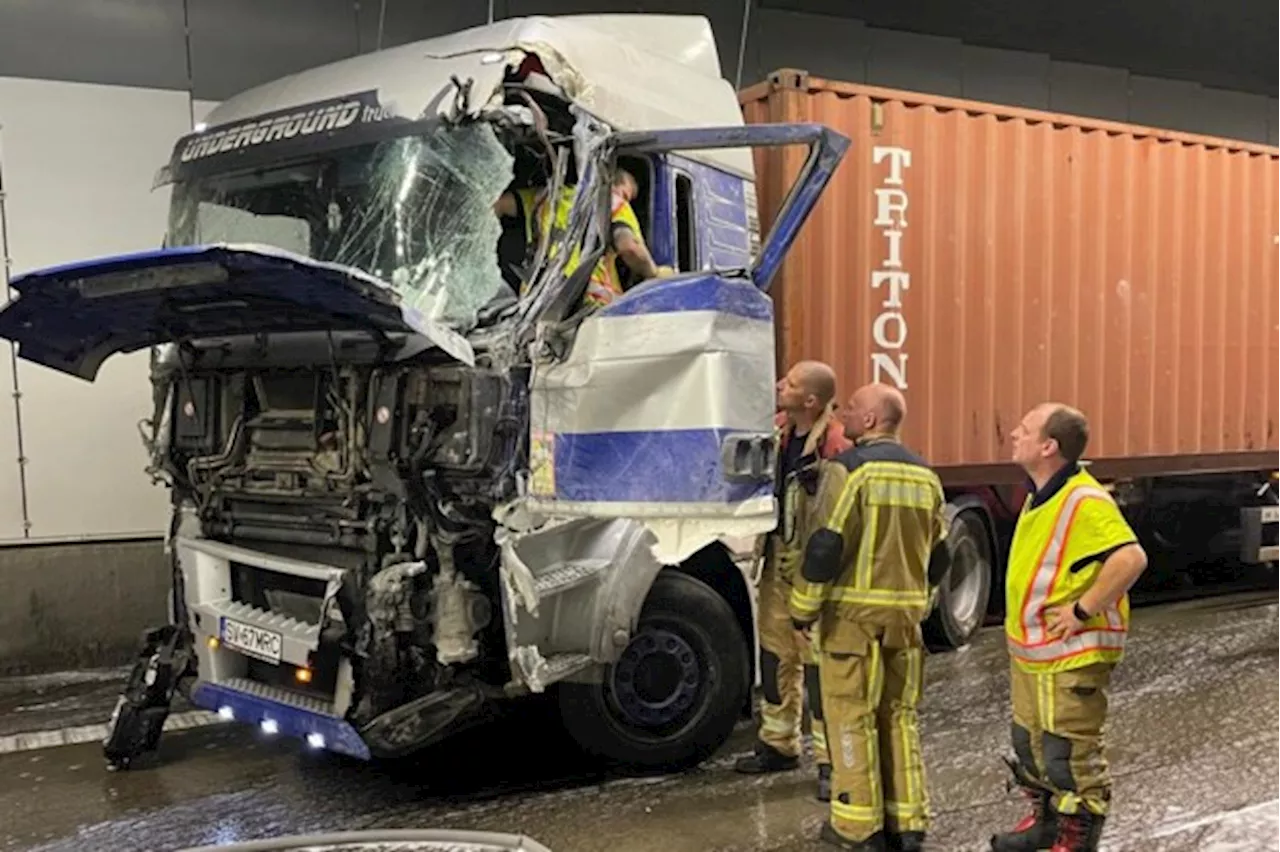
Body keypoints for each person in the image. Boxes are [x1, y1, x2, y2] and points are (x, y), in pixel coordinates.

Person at [791, 382, 951, 851]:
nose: (842, 413)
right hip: (905, 620)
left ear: (870, 421)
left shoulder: (848, 471)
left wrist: (802, 609)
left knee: (850, 718)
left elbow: (826, 546)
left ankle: (858, 826)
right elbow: (939, 555)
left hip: (852, 620)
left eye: (852, 408)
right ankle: (908, 823)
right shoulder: (927, 477)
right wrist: (919, 601)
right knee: (899, 717)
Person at [991, 404, 1148, 852]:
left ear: (1048, 446)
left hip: (1072, 651)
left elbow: (1131, 558)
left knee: (1069, 753)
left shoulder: (1084, 499)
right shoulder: (1041, 494)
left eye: (1023, 431)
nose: (1014, 435)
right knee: (1031, 745)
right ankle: (1047, 825)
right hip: (1036, 652)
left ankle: (1077, 839)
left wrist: (1081, 610)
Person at [735, 360, 850, 801]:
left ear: (812, 401)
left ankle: (830, 761)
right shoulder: (780, 432)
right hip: (779, 557)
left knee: (820, 668)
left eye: (791, 383)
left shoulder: (835, 446)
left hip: (813, 566)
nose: (780, 385)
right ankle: (778, 743)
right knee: (775, 655)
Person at [494, 168, 667, 308]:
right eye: (626, 195)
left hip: (536, 299)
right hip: (588, 303)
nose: (625, 200)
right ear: (615, 184)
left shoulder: (547, 196)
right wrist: (654, 273)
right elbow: (628, 247)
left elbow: (499, 204)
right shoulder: (615, 203)